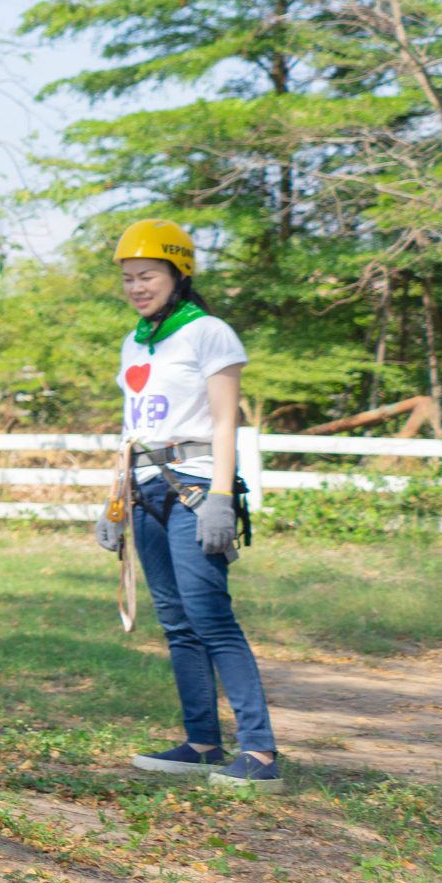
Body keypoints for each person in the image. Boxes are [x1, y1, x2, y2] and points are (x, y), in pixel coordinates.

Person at [101, 219, 280, 791]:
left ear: (179, 274)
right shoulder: (136, 340)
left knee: (210, 617)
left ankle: (260, 752)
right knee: (176, 622)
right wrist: (113, 505)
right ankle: (202, 742)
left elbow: (227, 422)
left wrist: (222, 500)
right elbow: (131, 429)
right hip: (145, 488)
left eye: (147, 276)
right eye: (128, 278)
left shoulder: (209, 333)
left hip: (196, 487)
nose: (136, 287)